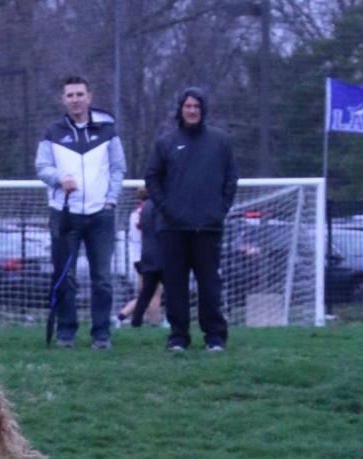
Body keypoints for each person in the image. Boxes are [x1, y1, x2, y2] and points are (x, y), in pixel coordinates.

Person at [143, 87, 238, 353]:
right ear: (180, 109)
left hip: (208, 228)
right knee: (175, 286)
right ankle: (178, 337)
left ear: (203, 110)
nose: (192, 111)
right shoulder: (166, 143)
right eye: (188, 106)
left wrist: (220, 210)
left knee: (210, 285)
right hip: (173, 228)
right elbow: (152, 178)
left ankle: (215, 337)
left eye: (197, 106)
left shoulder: (220, 141)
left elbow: (231, 178)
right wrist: (166, 208)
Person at [35, 76, 125, 349]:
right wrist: (59, 179)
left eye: (79, 94)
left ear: (90, 96)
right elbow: (42, 167)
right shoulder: (52, 132)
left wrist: (111, 200)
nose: (75, 99)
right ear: (64, 99)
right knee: (66, 276)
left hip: (101, 215)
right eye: (70, 95)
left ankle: (101, 334)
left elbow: (119, 168)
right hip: (65, 215)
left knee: (102, 279)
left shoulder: (108, 130)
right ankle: (66, 332)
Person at [119, 186, 164, 327]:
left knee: (146, 293)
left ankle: (122, 316)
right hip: (147, 256)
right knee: (154, 293)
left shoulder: (135, 213)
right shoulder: (149, 212)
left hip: (137, 257)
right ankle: (155, 324)